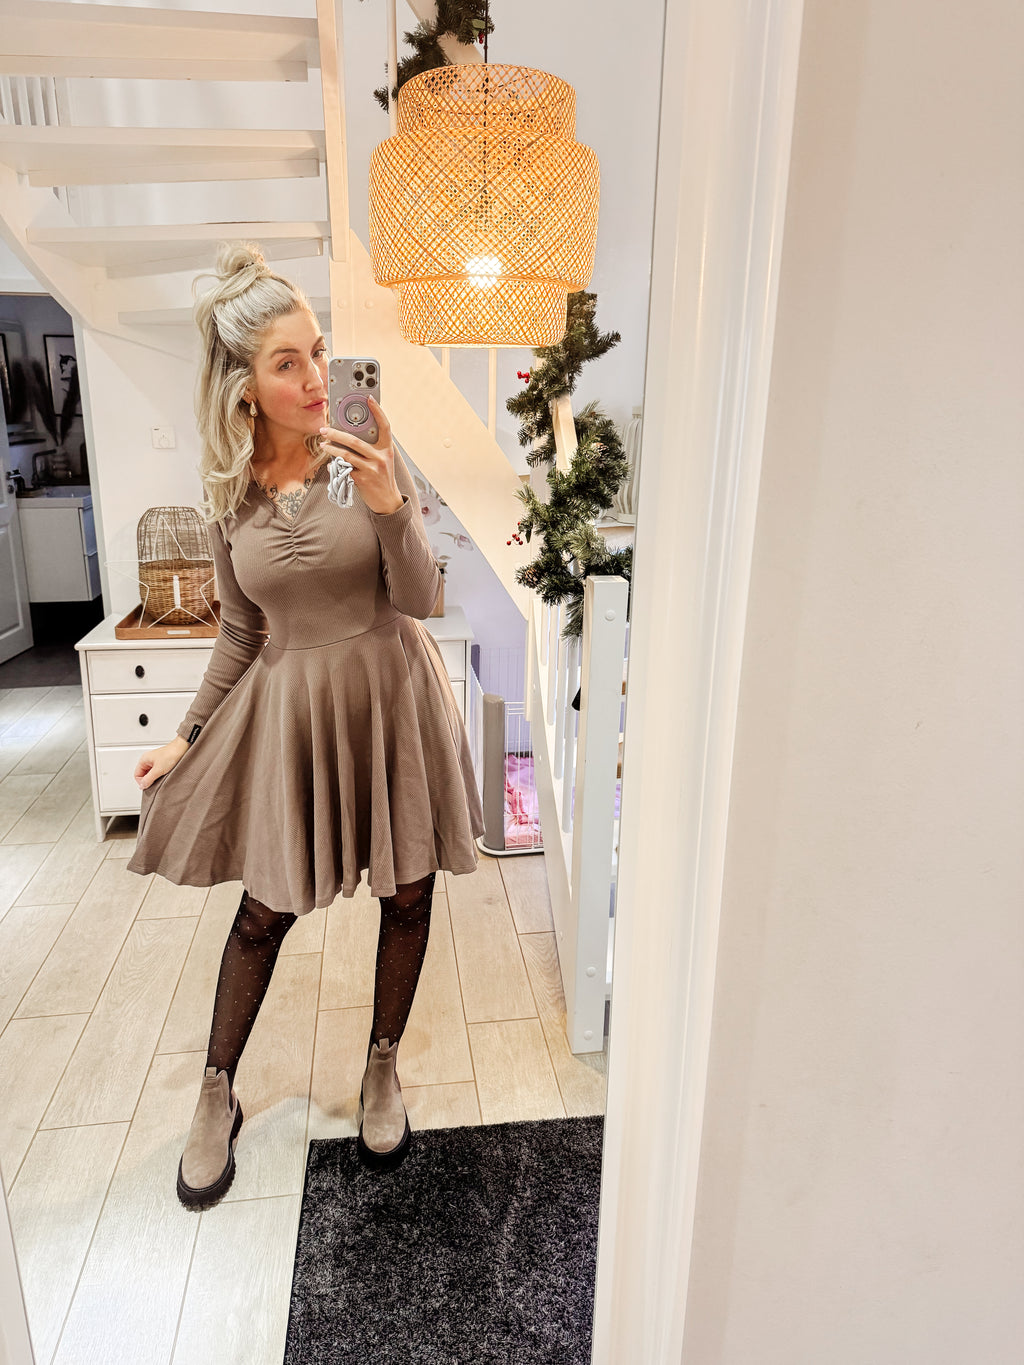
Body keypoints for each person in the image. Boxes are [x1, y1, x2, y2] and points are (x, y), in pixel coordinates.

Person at [126, 244, 484, 1209]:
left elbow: (421, 597)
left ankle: (381, 1064)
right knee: (264, 910)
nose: (318, 377)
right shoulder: (226, 491)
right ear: (243, 387)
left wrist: (391, 503)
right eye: (288, 363)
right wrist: (186, 737)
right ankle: (217, 1091)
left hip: (391, 696)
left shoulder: (364, 454)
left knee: (408, 893)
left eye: (319, 351)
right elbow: (242, 631)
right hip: (296, 716)